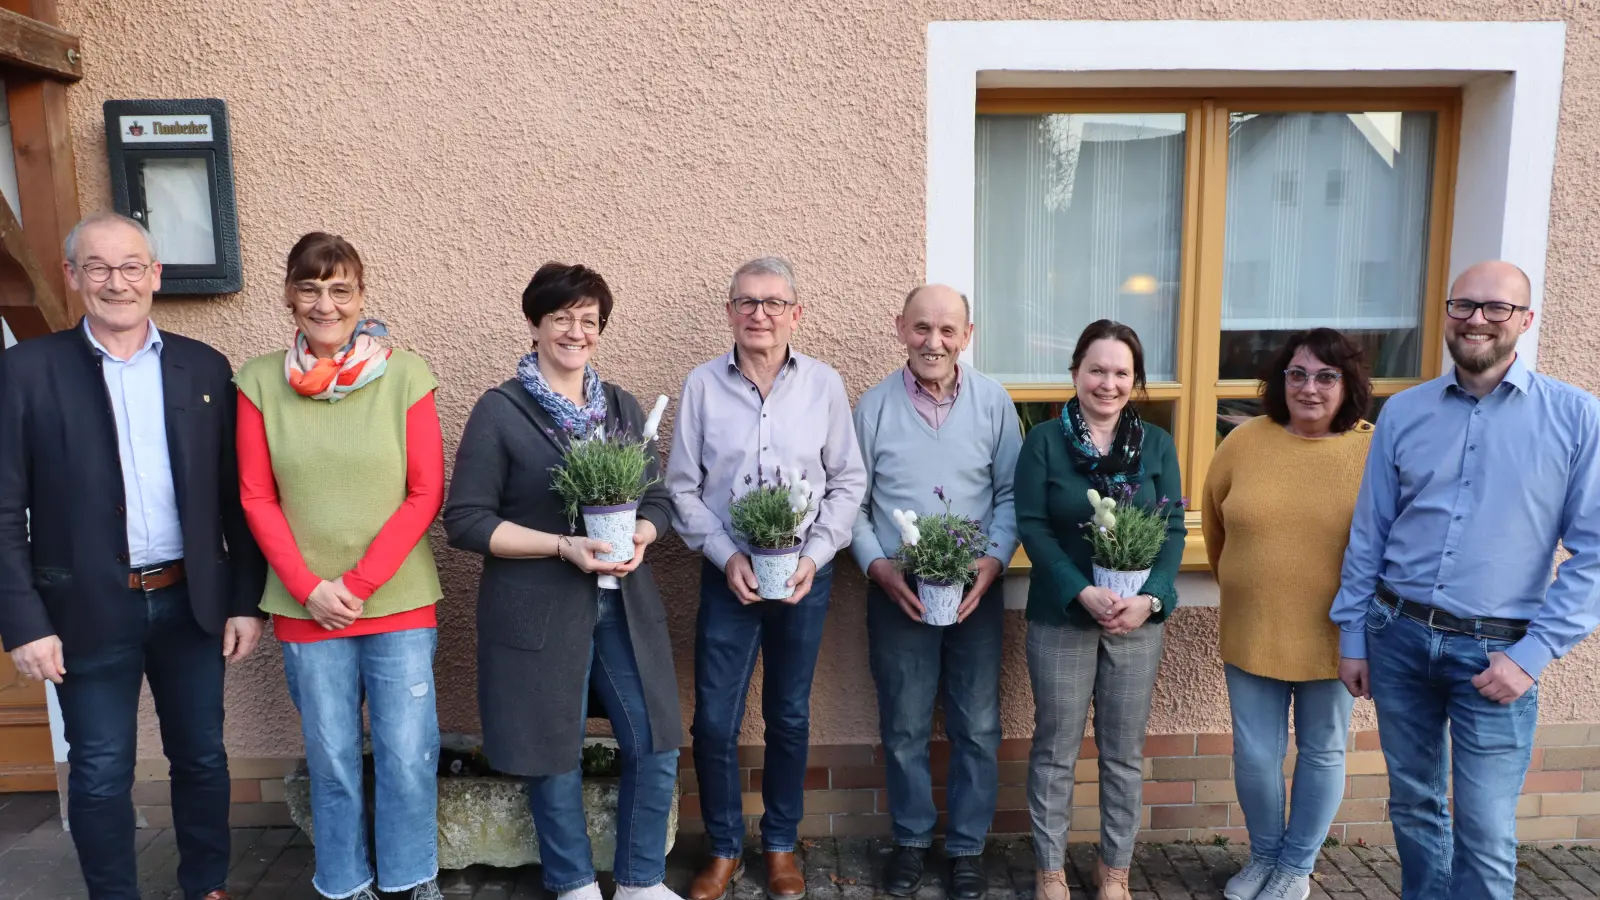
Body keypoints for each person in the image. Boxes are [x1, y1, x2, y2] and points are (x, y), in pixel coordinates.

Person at [0, 212, 267, 900]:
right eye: (98, 267)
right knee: (98, 771)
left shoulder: (203, 367)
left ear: (155, 275)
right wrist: (24, 624)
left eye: (130, 267)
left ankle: (206, 885)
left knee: (202, 758)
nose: (115, 283)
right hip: (85, 610)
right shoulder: (25, 371)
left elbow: (235, 498)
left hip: (190, 604)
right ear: (72, 276)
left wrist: (245, 601)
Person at [1333, 260, 1600, 900]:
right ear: (1447, 313)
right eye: (1464, 305)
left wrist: (1532, 656)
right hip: (1397, 638)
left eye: (1496, 307)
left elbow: (1594, 554)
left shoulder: (1576, 417)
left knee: (1484, 831)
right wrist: (1353, 636)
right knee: (1414, 806)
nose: (1477, 319)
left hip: (1497, 654)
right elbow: (1370, 532)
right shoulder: (1404, 413)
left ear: (1525, 321)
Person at [443, 263, 682, 900]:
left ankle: (640, 882)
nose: (577, 332)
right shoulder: (501, 411)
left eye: (589, 321)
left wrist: (643, 535)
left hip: (624, 605)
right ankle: (573, 882)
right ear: (535, 323)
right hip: (538, 609)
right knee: (553, 749)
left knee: (655, 741)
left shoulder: (622, 407)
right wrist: (561, 546)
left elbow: (658, 500)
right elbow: (465, 521)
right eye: (562, 318)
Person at [234, 232, 446, 900]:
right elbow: (256, 496)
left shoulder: (406, 375)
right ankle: (344, 882)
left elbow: (425, 492)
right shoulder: (258, 381)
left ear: (361, 296)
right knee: (331, 760)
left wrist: (354, 585)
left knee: (408, 756)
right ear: (288, 296)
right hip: (304, 608)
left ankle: (411, 878)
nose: (325, 304)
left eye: (339, 289)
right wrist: (307, 588)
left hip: (398, 602)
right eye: (310, 288)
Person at [666, 256, 867, 900]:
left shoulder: (824, 385)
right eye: (747, 302)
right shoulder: (702, 385)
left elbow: (848, 481)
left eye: (774, 303)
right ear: (729, 313)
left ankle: (780, 844)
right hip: (729, 577)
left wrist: (816, 555)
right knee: (714, 722)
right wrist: (727, 555)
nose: (760, 314)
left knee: (787, 714)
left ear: (795, 314)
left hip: (805, 577)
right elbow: (681, 488)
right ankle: (724, 847)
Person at [851, 284, 1020, 900]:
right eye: (922, 328)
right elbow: (853, 505)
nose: (934, 342)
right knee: (904, 725)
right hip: (898, 593)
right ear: (901, 328)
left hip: (976, 593)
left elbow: (1011, 496)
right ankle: (912, 840)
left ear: (966, 336)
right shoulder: (873, 408)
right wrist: (878, 567)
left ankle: (968, 847)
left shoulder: (994, 403)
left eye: (948, 330)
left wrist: (992, 563)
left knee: (977, 725)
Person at [1014, 320, 1185, 900]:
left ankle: (1114, 871)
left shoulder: (1156, 444)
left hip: (1135, 622)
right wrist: (1079, 589)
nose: (1108, 383)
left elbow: (1173, 529)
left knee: (1122, 754)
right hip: (1062, 617)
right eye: (1097, 370)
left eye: (1120, 372)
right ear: (1075, 373)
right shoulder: (1044, 441)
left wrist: (1150, 597)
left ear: (1135, 380)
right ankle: (1050, 870)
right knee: (1055, 750)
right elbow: (1032, 526)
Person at [1202, 329, 1374, 900]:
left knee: (1322, 750)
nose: (1309, 388)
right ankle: (1264, 856)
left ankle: (1296, 867)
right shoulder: (1245, 441)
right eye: (1297, 374)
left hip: (1335, 637)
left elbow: (1389, 542)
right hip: (1253, 628)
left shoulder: (1371, 450)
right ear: (1280, 381)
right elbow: (1215, 525)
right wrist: (1245, 584)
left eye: (1326, 376)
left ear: (1348, 384)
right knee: (1255, 753)